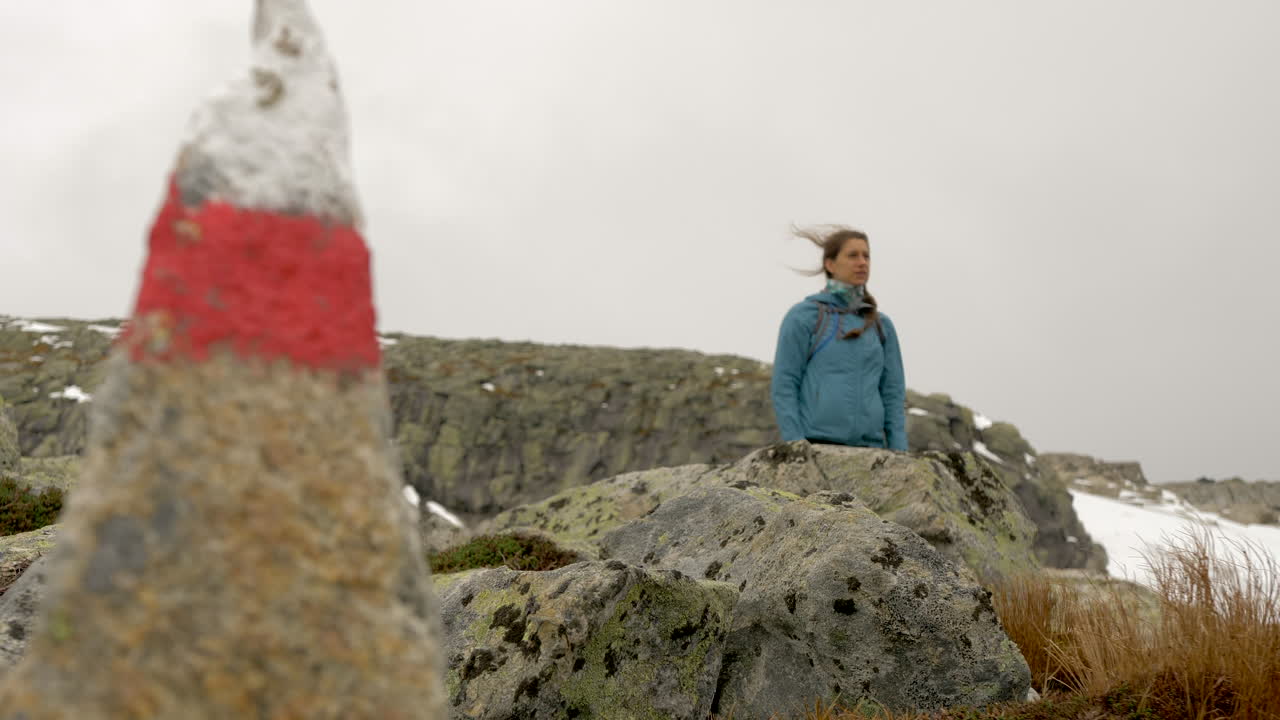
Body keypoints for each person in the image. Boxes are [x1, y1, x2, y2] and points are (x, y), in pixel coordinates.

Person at [770, 226, 907, 450]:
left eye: (866, 256)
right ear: (830, 264)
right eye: (853, 255)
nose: (862, 262)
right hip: (817, 446)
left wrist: (899, 452)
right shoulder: (805, 316)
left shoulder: (881, 326)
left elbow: (893, 393)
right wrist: (795, 444)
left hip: (872, 451)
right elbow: (784, 384)